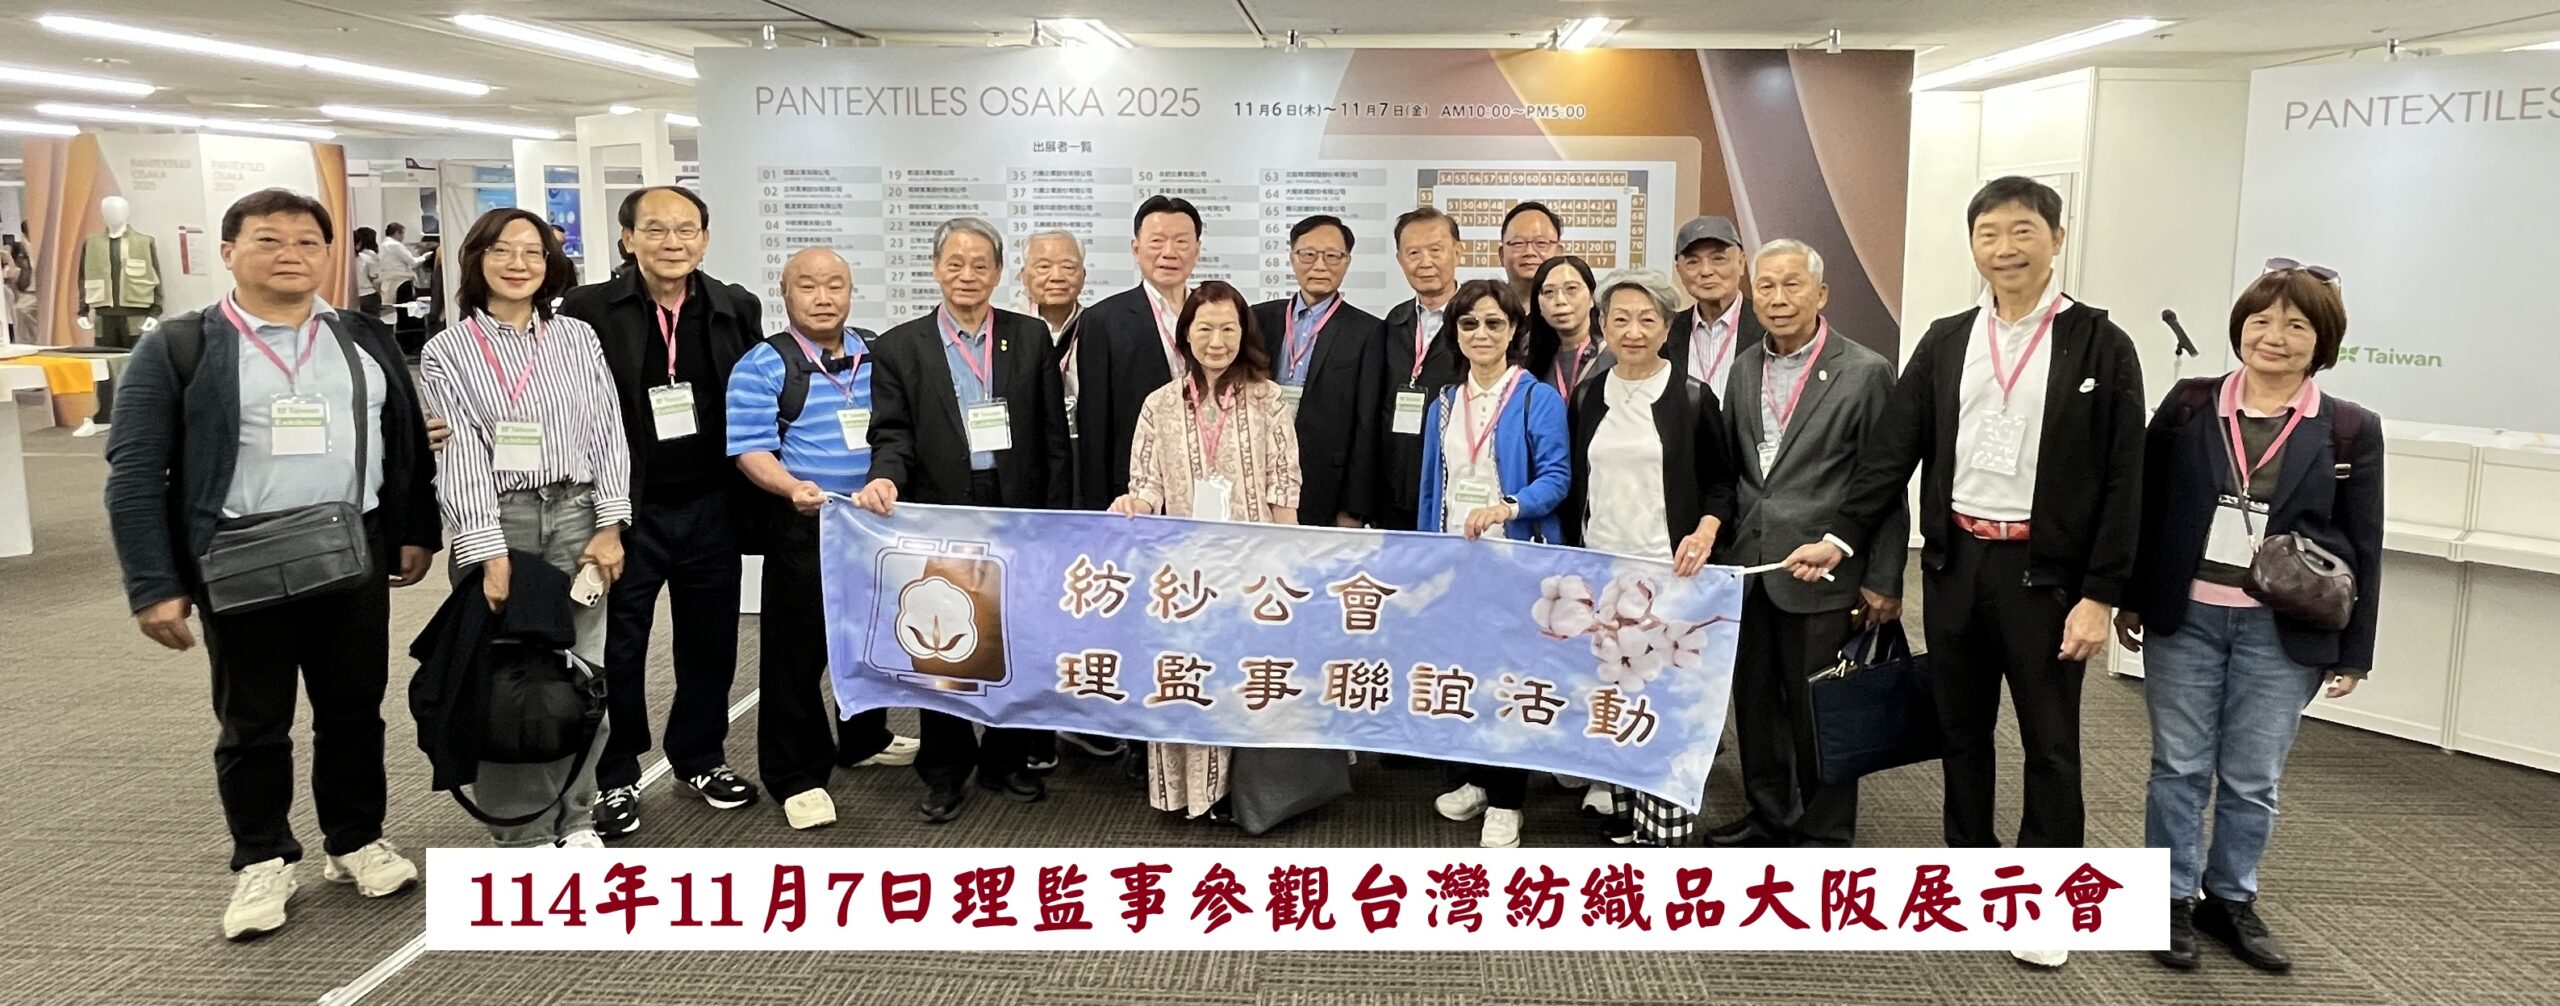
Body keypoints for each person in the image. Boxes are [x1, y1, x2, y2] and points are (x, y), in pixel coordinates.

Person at [1783, 176, 2146, 970]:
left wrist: (2101, 594)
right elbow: (1891, 454)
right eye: (1989, 234)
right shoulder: (1948, 339)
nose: (2005, 249)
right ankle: (1970, 867)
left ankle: (2046, 901)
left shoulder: (2099, 343)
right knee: (1960, 730)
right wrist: (1841, 539)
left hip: (2047, 577)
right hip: (1958, 564)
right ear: (1973, 244)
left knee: (2051, 741)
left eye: (2022, 231)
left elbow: (2127, 479)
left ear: (2056, 238)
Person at [103, 188, 440, 940]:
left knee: (354, 710)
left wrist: (414, 530)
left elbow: (404, 438)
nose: (291, 255)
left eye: (307, 242)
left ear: (328, 255)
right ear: (229, 252)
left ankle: (355, 839)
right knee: (254, 721)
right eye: (269, 240)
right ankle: (261, 857)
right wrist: (153, 584)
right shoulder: (181, 346)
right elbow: (134, 472)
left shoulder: (359, 335)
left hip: (350, 549)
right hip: (241, 557)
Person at [2117, 262, 2383, 974]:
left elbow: (2365, 542)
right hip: (2187, 616)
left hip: (2281, 628)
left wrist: (2354, 651)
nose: (2275, 336)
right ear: (2240, 328)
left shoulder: (2348, 429)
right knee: (2178, 765)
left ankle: (2230, 898)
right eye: (2261, 321)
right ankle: (2168, 897)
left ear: (2322, 341)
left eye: (2296, 325)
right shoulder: (2189, 406)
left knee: (2252, 776)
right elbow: (2147, 506)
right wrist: (2131, 596)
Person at [416, 207, 628, 850]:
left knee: (581, 674)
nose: (519, 264)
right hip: (500, 517)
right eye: (503, 251)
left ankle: (577, 814)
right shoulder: (448, 350)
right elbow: (458, 456)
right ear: (476, 259)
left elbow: (607, 430)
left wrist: (612, 521)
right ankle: (526, 831)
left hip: (578, 513)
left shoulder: (576, 338)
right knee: (508, 680)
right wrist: (487, 550)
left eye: (533, 252)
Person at [559, 186, 765, 839]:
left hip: (712, 502)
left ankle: (699, 758)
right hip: (627, 510)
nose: (672, 242)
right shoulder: (589, 310)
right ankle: (615, 774)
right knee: (618, 647)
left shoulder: (734, 307)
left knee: (710, 642)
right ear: (628, 239)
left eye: (685, 229)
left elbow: (758, 396)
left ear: (704, 238)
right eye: (655, 229)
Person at [853, 217, 1072, 823]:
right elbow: (892, 434)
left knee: (1013, 634)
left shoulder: (1029, 336)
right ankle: (945, 769)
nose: (967, 274)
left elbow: (1053, 437)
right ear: (935, 269)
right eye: (955, 263)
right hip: (939, 507)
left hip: (1016, 505)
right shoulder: (900, 347)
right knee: (940, 637)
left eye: (980, 264)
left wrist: (1055, 520)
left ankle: (1006, 759)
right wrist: (885, 477)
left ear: (999, 273)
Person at [1707, 240, 1904, 851]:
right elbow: (1739, 471)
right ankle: (1769, 817)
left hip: (1824, 570)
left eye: (1792, 285)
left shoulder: (1865, 371)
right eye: (1765, 286)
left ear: (1821, 294)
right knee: (1756, 705)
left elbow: (1885, 482)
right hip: (1752, 567)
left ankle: (1824, 832)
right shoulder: (1745, 368)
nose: (1778, 298)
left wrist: (1884, 578)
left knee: (1821, 708)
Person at [727, 247, 913, 830]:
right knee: (796, 654)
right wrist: (790, 488)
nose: (824, 297)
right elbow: (750, 449)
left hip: (875, 522)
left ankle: (865, 738)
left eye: (836, 285)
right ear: (785, 294)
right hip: (806, 522)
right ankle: (797, 775)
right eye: (808, 286)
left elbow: (898, 429)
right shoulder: (763, 363)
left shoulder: (876, 353)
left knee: (874, 636)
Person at [1106, 280, 1301, 819]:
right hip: (1183, 577)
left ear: (1245, 333)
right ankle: (1189, 793)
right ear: (1185, 335)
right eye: (1205, 328)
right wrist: (1135, 502)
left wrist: (1289, 560)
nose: (1217, 341)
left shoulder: (1268, 399)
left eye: (1229, 329)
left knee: (1244, 676)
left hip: (1252, 571)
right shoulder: (1160, 404)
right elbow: (1147, 483)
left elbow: (1284, 486)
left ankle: (1244, 794)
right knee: (1188, 674)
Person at [1559, 268, 1738, 847]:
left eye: (1647, 319)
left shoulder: (1692, 396)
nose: (1633, 331)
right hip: (1603, 571)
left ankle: (1663, 827)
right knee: (1613, 692)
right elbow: (1578, 483)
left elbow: (1722, 484)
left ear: (1666, 328)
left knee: (1663, 698)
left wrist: (1705, 531)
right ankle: (1623, 808)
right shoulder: (1589, 395)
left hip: (1668, 574)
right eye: (1621, 319)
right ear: (1602, 325)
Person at [1416, 279, 1572, 849]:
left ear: (1514, 332)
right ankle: (1478, 780)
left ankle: (1508, 801)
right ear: (1454, 333)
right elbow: (1432, 487)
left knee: (1511, 680)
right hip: (1457, 562)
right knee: (1465, 675)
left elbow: (1557, 478)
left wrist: (1508, 507)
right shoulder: (1444, 403)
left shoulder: (1536, 398)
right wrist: (1425, 556)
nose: (1480, 333)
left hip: (1516, 562)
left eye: (1493, 323)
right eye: (1468, 324)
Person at [1251, 214, 1384, 529]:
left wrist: (1354, 509)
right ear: (1292, 257)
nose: (1320, 265)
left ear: (1347, 261)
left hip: (1326, 485)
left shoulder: (1367, 332)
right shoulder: (1258, 319)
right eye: (1308, 254)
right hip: (1259, 473)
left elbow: (1367, 426)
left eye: (1332, 256)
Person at [1073, 196, 1202, 509]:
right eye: (1157, 241)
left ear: (1197, 250)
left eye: (1181, 241)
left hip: (1209, 478)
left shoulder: (1217, 312)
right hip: (1135, 486)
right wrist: (1099, 505)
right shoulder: (1103, 320)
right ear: (1136, 248)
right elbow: (1095, 424)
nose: (1169, 252)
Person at [1378, 207, 1466, 534]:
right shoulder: (1393, 322)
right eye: (1413, 253)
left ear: (1458, 251)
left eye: (1435, 250)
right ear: (1400, 259)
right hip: (1395, 486)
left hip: (1456, 486)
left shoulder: (1477, 323)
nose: (1425, 262)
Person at [1663, 216, 1761, 393]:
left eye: (1718, 259)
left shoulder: (1767, 326)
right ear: (1679, 270)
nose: (1706, 271)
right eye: (1693, 262)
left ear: (1741, 263)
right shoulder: (1668, 331)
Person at [1524, 255, 1611, 401]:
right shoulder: (1533, 363)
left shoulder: (1614, 356)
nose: (1560, 300)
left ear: (1592, 297)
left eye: (1571, 289)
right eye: (1549, 292)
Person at [1498, 201, 1563, 302]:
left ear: (1558, 253)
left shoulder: (1574, 308)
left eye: (1541, 242)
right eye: (1518, 243)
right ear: (1502, 255)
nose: (1529, 252)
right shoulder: (1488, 307)